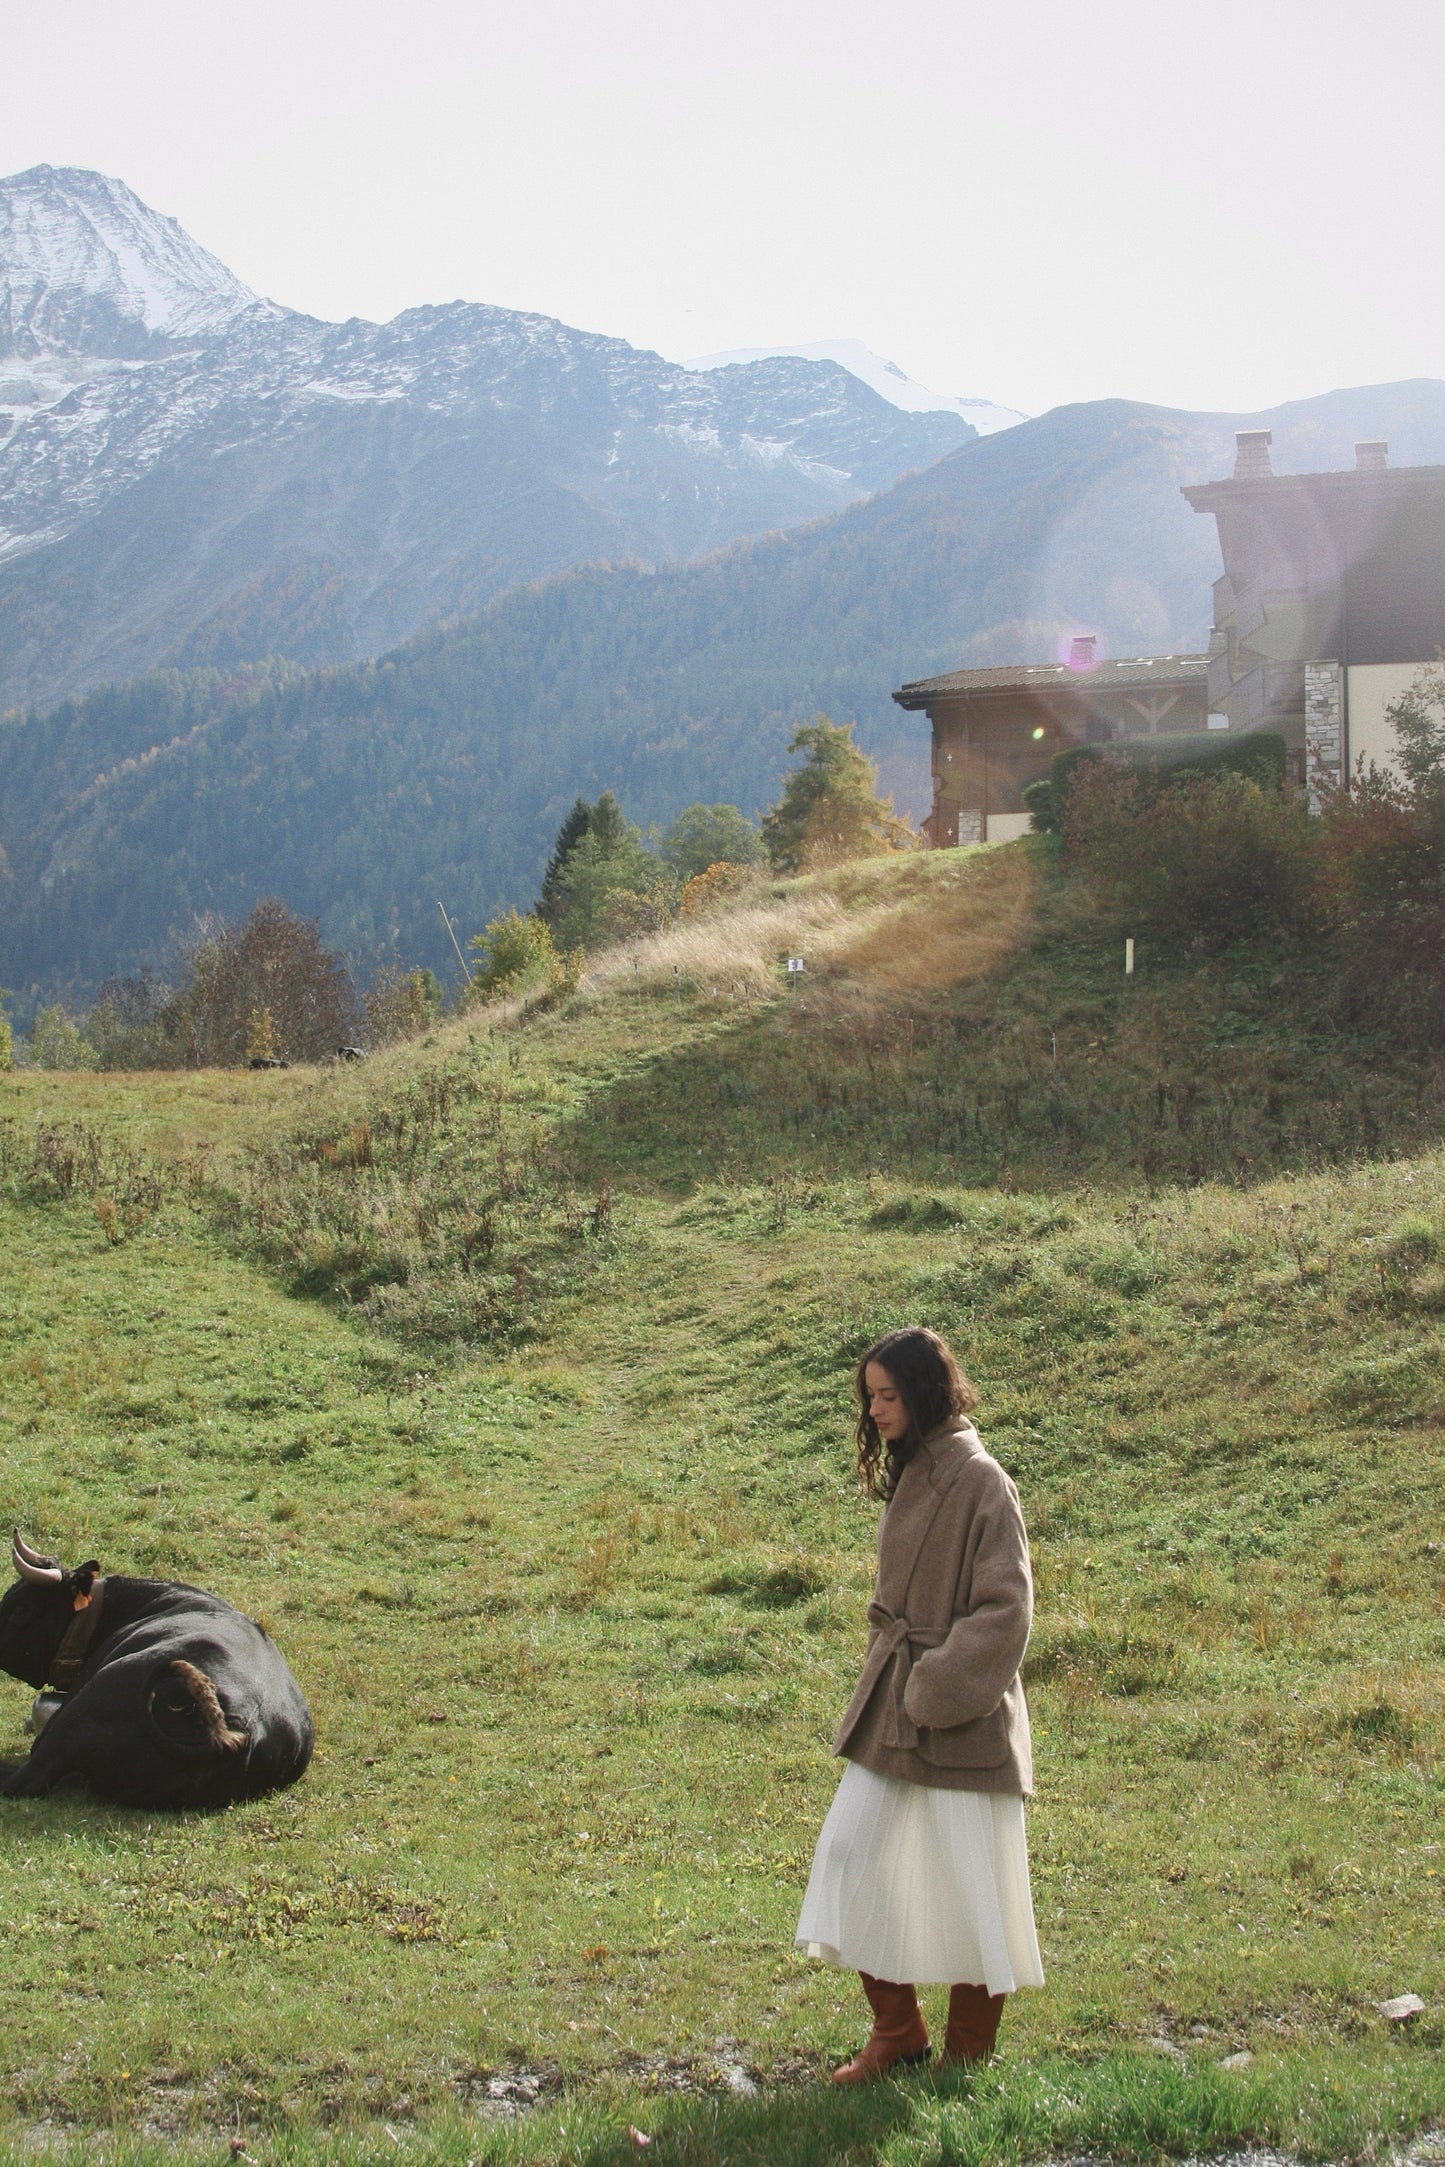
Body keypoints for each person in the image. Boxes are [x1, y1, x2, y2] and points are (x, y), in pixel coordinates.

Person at [795, 1326, 1043, 2081]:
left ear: (924, 1393)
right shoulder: (911, 1472)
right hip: (894, 1699)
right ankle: (897, 2031)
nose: (872, 1409)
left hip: (959, 1712)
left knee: (973, 1884)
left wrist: (936, 1683)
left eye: (886, 1394)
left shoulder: (981, 1480)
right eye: (868, 1395)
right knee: (847, 1853)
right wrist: (902, 1682)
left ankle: (966, 2056)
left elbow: (1008, 1609)